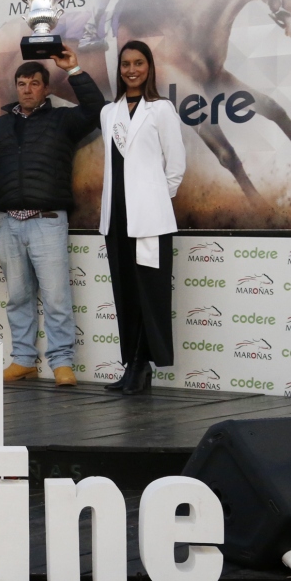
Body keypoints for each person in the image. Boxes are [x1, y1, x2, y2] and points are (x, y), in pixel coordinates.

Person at [0, 49, 106, 385]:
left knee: (56, 297)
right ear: (16, 87)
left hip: (47, 221)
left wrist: (74, 70)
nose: (27, 89)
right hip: (8, 224)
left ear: (46, 88)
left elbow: (97, 110)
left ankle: (62, 363)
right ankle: (23, 360)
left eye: (35, 83)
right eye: (22, 83)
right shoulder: (0, 126)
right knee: (18, 297)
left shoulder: (62, 121)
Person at [99, 40, 186, 395]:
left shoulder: (161, 109)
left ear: (149, 67)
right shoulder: (109, 113)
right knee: (126, 293)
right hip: (116, 217)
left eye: (138, 63)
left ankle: (143, 364)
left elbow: (175, 166)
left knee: (149, 293)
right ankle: (132, 365)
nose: (131, 70)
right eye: (125, 64)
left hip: (149, 219)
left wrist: (154, 201)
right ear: (119, 69)